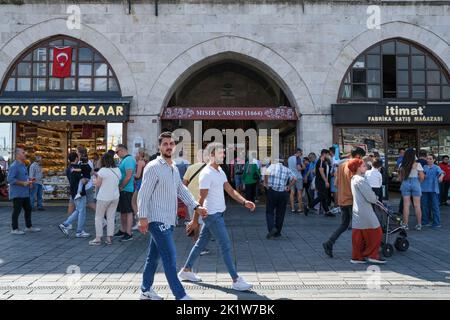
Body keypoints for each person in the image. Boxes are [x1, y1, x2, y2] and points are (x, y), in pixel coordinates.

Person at [137, 132, 207, 300]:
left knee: (153, 257)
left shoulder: (173, 168)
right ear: (159, 147)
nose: (168, 146)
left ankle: (145, 290)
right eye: (165, 144)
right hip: (156, 219)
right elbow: (143, 194)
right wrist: (142, 218)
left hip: (168, 219)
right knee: (170, 256)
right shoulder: (153, 166)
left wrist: (196, 206)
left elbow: (181, 190)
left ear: (174, 147)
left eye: (171, 144)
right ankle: (180, 295)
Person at [178, 142, 255, 292]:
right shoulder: (206, 173)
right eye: (221, 153)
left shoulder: (220, 170)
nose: (224, 155)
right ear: (211, 155)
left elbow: (230, 190)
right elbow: (200, 200)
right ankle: (236, 280)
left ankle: (186, 270)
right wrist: (194, 221)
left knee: (200, 243)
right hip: (212, 215)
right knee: (225, 245)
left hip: (217, 213)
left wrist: (244, 201)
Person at [322, 147, 366, 258]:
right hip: (352, 200)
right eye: (361, 157)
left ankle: (329, 242)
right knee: (359, 226)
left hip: (342, 199)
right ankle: (361, 249)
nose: (361, 160)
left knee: (344, 224)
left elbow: (336, 183)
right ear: (358, 156)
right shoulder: (353, 166)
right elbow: (357, 184)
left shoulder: (341, 166)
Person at [348, 158, 386, 265]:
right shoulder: (360, 180)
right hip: (365, 210)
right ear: (358, 168)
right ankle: (372, 255)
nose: (366, 167)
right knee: (377, 231)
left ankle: (357, 256)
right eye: (363, 165)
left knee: (358, 235)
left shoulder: (354, 178)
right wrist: (376, 198)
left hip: (358, 210)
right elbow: (371, 197)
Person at [89, 153, 121, 246]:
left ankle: (98, 238)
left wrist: (94, 180)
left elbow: (98, 184)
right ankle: (109, 238)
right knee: (111, 217)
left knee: (99, 217)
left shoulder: (102, 170)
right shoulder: (118, 170)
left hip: (103, 197)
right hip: (115, 196)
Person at [7, 148, 41, 235]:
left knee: (28, 209)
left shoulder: (23, 164)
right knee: (17, 210)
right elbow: (10, 179)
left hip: (25, 193)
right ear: (18, 155)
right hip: (17, 193)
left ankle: (28, 227)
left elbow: (23, 177)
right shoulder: (14, 166)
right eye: (23, 153)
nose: (25, 154)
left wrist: (29, 181)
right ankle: (14, 229)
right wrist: (23, 183)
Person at [264, 155, 297, 239]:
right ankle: (278, 232)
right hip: (283, 193)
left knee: (270, 212)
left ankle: (271, 229)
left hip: (272, 191)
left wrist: (266, 183)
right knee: (281, 213)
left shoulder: (272, 166)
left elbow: (266, 173)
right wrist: (289, 186)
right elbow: (295, 179)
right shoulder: (287, 169)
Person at [58, 152, 90, 238]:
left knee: (79, 210)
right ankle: (79, 231)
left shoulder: (69, 168)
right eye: (78, 157)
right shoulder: (77, 168)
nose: (79, 158)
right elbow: (84, 179)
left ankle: (66, 224)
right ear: (76, 158)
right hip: (79, 192)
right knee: (81, 211)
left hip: (73, 192)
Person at [183, 149, 209, 254]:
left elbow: (183, 184)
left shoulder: (190, 168)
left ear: (198, 157)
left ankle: (195, 243)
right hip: (204, 199)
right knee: (202, 223)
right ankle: (200, 246)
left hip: (191, 199)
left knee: (194, 222)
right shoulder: (209, 168)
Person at [115, 144, 137, 242]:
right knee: (123, 211)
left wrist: (121, 186)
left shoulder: (129, 160)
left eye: (117, 152)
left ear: (122, 150)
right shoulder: (124, 160)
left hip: (127, 190)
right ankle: (123, 230)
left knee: (128, 212)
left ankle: (129, 233)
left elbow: (128, 176)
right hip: (124, 190)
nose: (116, 154)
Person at [399, 148, 424, 231]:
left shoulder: (402, 165)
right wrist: (418, 183)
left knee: (406, 205)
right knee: (417, 205)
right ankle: (419, 224)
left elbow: (400, 178)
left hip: (405, 183)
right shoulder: (418, 165)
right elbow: (421, 177)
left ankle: (405, 224)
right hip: (415, 182)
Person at [305, 149, 333, 216]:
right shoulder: (320, 161)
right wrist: (326, 181)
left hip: (322, 181)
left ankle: (327, 211)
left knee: (323, 196)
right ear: (324, 154)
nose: (328, 156)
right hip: (321, 182)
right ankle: (308, 206)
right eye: (328, 154)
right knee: (321, 196)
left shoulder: (324, 161)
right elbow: (321, 171)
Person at [421, 154, 444, 229]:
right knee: (424, 206)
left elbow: (442, 173)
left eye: (430, 159)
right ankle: (425, 221)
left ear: (434, 160)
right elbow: (421, 175)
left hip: (433, 189)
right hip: (424, 189)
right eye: (427, 158)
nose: (429, 160)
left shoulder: (437, 167)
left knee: (435, 206)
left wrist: (441, 177)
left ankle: (436, 223)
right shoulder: (424, 167)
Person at [132, 148, 147, 230]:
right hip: (141, 183)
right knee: (138, 203)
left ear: (140, 154)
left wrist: (131, 174)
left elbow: (137, 175)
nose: (135, 154)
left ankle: (139, 221)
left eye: (136, 153)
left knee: (134, 202)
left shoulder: (140, 162)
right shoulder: (143, 161)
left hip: (139, 183)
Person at [287, 148, 304, 214]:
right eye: (301, 153)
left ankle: (293, 208)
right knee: (299, 193)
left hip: (291, 177)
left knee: (292, 192)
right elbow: (298, 168)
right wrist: (303, 167)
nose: (301, 154)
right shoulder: (298, 158)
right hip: (298, 177)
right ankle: (300, 208)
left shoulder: (289, 158)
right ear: (298, 152)